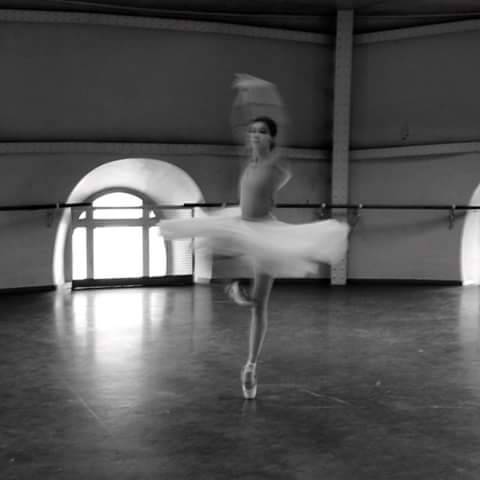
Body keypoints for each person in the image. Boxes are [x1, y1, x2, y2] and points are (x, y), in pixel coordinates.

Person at [158, 80, 349, 400]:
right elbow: (238, 127)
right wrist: (244, 99)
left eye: (262, 131)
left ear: (270, 138)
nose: (255, 135)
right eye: (253, 131)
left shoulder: (275, 162)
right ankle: (241, 295)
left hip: (264, 234)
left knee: (260, 305)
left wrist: (265, 92)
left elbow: (283, 126)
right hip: (240, 223)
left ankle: (250, 366)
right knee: (201, 235)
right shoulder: (248, 161)